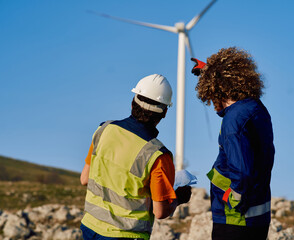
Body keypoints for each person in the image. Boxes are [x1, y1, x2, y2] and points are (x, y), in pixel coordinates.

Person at [79, 74, 192, 240]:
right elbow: (160, 212)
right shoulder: (158, 155)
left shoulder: (104, 130)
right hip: (126, 235)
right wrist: (178, 199)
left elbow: (84, 178)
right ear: (165, 112)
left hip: (89, 228)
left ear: (133, 102)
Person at [192, 47, 275, 240]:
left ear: (217, 87)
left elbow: (242, 171)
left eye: (212, 96)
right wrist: (210, 70)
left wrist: (232, 199)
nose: (213, 105)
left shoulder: (233, 121)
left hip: (235, 220)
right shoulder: (256, 108)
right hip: (258, 214)